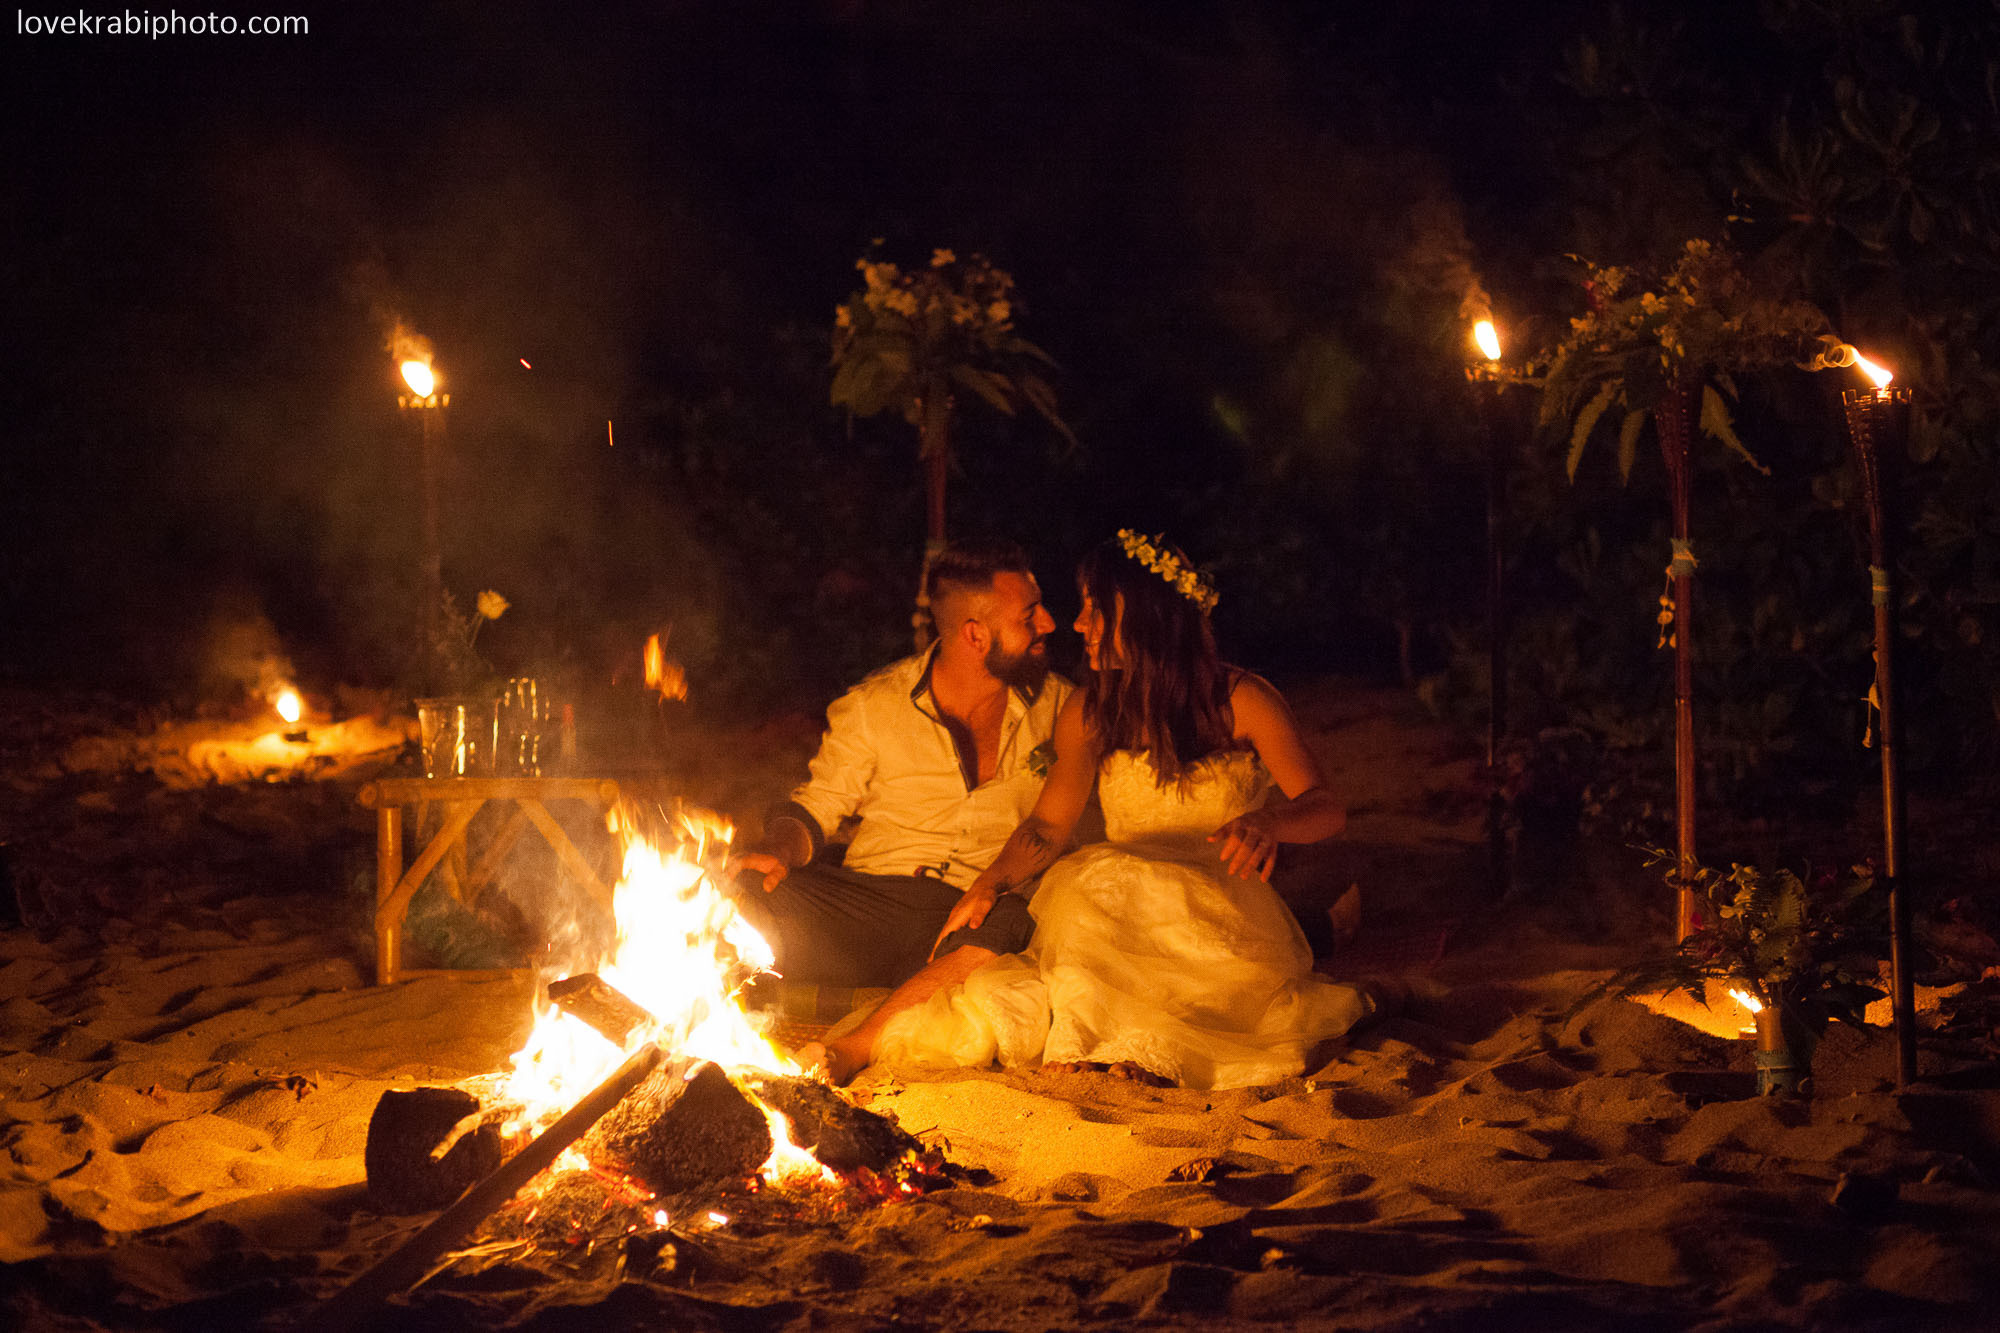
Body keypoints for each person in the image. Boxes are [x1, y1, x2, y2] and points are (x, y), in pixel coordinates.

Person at [873, 530, 1376, 1090]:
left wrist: (1271, 822)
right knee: (1100, 890)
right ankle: (1091, 1048)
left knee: (1142, 907)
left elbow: (1325, 807)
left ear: (1142, 616)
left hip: (1216, 904)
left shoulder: (1243, 700)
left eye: (1094, 608)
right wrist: (989, 883)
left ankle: (1139, 1048)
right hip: (1117, 897)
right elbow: (1046, 824)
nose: (1079, 624)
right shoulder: (1091, 709)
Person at [727, 540, 1073, 1083]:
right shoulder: (874, 706)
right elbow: (816, 808)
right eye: (1030, 615)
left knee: (1018, 917)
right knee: (739, 888)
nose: (1051, 624)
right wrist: (777, 850)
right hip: (868, 908)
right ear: (975, 634)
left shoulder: (1061, 709)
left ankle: (853, 1048)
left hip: (974, 912)